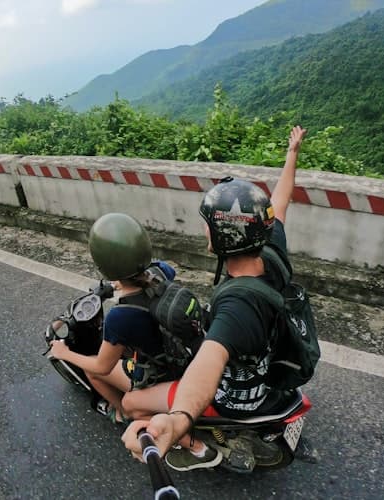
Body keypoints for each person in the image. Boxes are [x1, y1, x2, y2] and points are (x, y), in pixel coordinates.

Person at [121, 125, 308, 470]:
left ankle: (193, 447)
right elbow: (280, 201)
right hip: (267, 360)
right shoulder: (271, 248)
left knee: (132, 402)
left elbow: (208, 364)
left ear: (225, 235)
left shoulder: (238, 305)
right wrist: (292, 153)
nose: (204, 228)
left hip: (238, 396)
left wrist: (177, 420)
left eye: (208, 224)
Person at [49, 212, 179, 424]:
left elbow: (102, 366)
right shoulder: (162, 271)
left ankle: (123, 412)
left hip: (159, 373)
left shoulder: (120, 317)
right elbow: (156, 272)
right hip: (175, 352)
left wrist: (64, 353)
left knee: (91, 370)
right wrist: (121, 283)